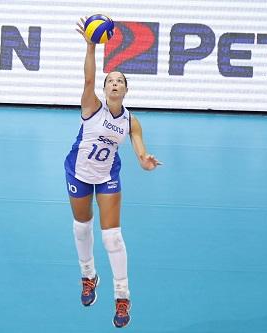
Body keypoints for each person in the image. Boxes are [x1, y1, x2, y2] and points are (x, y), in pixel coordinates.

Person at [64, 17, 162, 328]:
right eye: (111, 81)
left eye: (120, 80)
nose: (115, 83)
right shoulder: (92, 106)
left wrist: (145, 161)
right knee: (82, 229)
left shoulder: (131, 121)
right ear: (105, 89)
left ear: (126, 89)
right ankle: (88, 275)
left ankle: (122, 297)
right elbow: (88, 80)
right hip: (79, 171)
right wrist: (91, 47)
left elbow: (139, 149)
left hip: (107, 176)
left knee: (113, 238)